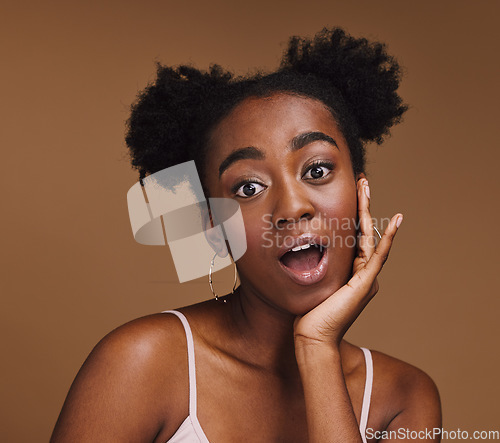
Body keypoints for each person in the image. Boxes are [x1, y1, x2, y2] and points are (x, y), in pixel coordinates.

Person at [51, 27, 442, 442]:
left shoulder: (403, 397)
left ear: (361, 192)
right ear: (215, 229)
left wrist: (317, 348)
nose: (293, 208)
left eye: (317, 171)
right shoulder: (141, 363)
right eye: (249, 188)